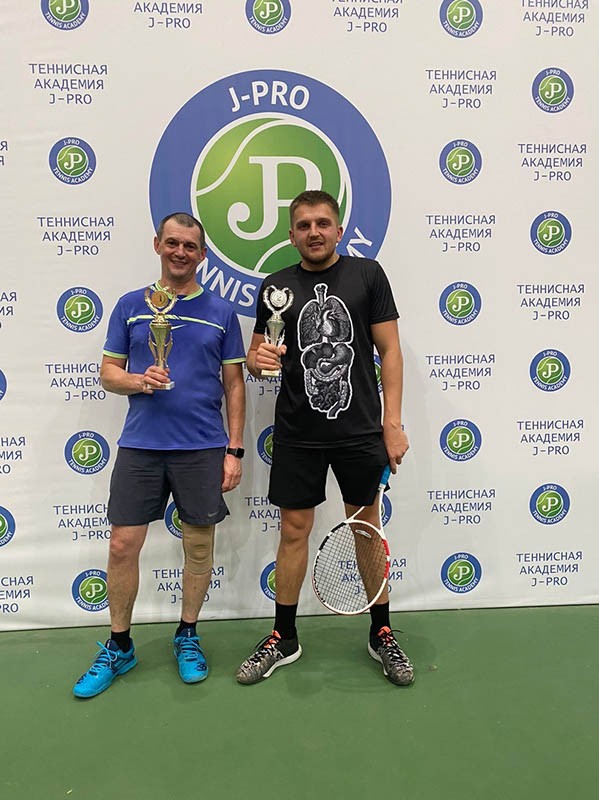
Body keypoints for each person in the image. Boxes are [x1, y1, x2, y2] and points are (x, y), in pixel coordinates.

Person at [236, 190, 413, 686]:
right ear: (291, 235)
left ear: (338, 229)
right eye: (303, 225)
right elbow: (258, 355)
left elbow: (390, 351)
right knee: (293, 531)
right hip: (298, 433)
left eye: (322, 223)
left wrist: (393, 423)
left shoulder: (368, 275)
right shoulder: (276, 286)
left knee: (366, 529)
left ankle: (381, 632)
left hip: (359, 431)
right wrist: (257, 361)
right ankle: (284, 637)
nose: (313, 232)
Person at [73, 212, 246, 698]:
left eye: (190, 246)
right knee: (121, 546)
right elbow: (109, 374)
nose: (180, 252)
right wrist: (137, 380)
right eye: (173, 243)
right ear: (157, 245)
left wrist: (234, 449)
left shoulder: (221, 312)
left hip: (202, 447)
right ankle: (119, 645)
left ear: (202, 255)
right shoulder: (131, 306)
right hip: (141, 446)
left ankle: (187, 634)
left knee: (198, 547)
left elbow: (235, 384)